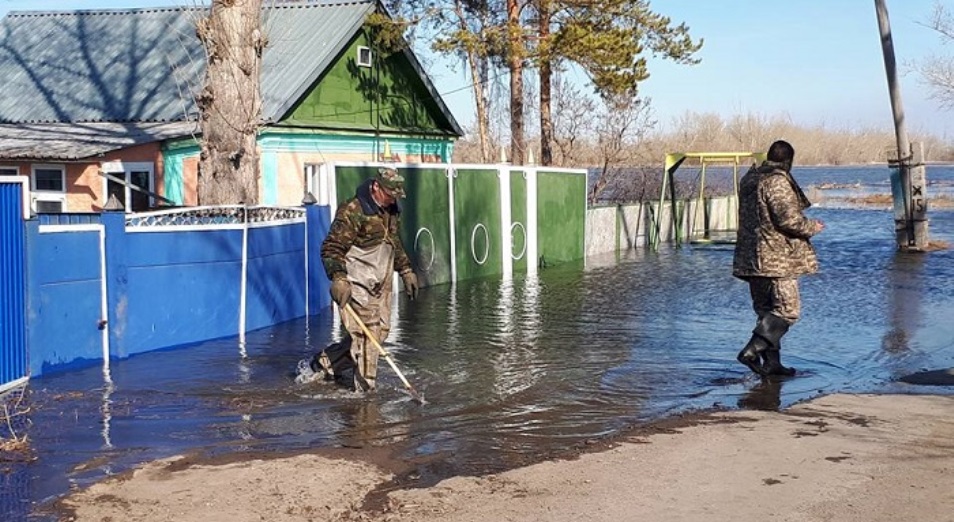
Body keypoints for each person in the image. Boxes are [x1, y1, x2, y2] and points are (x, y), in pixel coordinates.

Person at [296, 167, 419, 391]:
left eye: (396, 196)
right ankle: (365, 394)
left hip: (379, 280)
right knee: (368, 335)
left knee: (380, 332)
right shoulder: (352, 210)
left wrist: (406, 269)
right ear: (376, 187)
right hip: (356, 280)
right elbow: (331, 248)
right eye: (390, 194)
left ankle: (325, 364)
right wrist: (339, 278)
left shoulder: (391, 209)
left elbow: (393, 241)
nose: (393, 200)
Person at [733, 140, 824, 378]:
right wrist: (812, 226)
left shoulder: (749, 179)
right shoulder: (776, 180)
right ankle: (751, 351)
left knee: (765, 311)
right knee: (787, 310)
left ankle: (773, 364)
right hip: (776, 258)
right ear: (788, 161)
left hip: (750, 257)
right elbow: (788, 220)